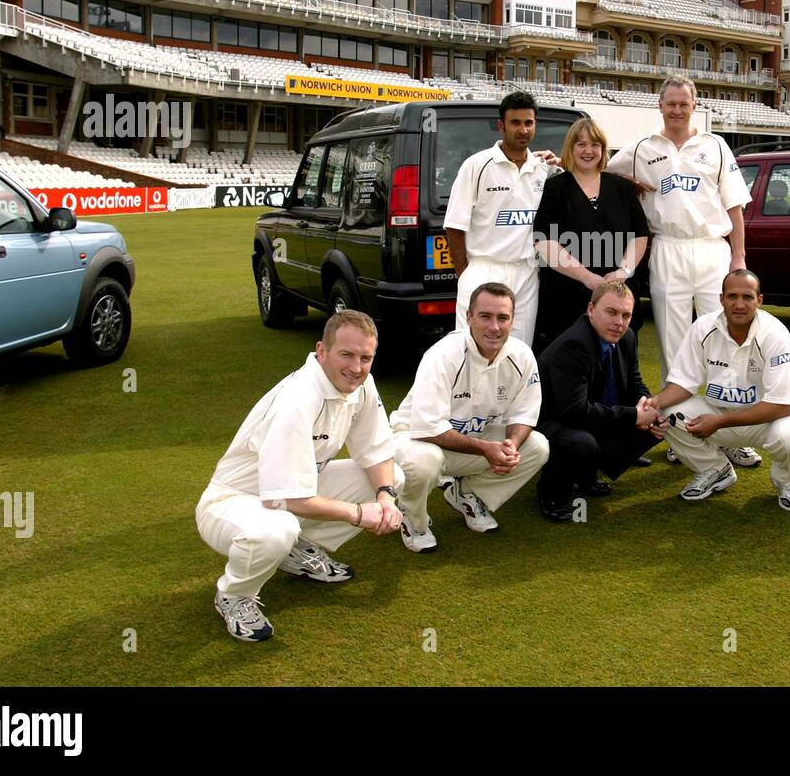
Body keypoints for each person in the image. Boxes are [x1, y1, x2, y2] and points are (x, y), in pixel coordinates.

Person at [195, 311, 403, 642]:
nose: (356, 367)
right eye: (346, 355)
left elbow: (376, 451)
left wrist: (386, 497)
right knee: (279, 528)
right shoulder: (298, 401)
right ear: (322, 351)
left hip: (288, 490)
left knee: (388, 479)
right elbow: (287, 500)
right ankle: (234, 595)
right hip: (231, 502)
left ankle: (295, 553)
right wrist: (360, 514)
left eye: (366, 357)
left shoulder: (360, 385)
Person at [606, 75, 754, 467]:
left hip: (711, 251)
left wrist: (738, 259)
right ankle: (679, 432)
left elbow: (735, 207)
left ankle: (731, 431)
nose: (677, 110)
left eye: (683, 104)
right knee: (674, 343)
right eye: (670, 103)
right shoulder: (641, 149)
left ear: (694, 105)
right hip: (667, 248)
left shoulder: (716, 146)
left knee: (724, 338)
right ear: (660, 106)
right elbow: (602, 170)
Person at [390, 282, 549, 552]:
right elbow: (428, 429)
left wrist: (510, 444)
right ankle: (412, 517)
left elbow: (525, 413)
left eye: (503, 318)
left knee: (536, 446)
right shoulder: (442, 355)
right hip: (411, 439)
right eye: (485, 316)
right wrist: (486, 449)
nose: (494, 327)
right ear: (469, 317)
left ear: (512, 320)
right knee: (425, 461)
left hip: (468, 443)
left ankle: (466, 493)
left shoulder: (522, 356)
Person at [643, 270, 790, 508]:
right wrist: (654, 403)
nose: (739, 305)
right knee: (667, 411)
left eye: (747, 297)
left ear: (759, 300)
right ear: (721, 299)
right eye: (732, 296)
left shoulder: (775, 333)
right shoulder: (703, 327)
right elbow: (683, 382)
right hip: (719, 414)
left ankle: (787, 481)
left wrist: (720, 422)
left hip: (764, 421)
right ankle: (715, 468)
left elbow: (782, 406)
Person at [535, 281, 666, 520]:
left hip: (590, 410)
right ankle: (550, 494)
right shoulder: (574, 345)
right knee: (580, 443)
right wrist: (634, 416)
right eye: (612, 312)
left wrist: (648, 408)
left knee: (658, 423)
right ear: (591, 310)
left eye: (626, 315)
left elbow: (634, 379)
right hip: (551, 420)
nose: (619, 322)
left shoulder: (626, 336)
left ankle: (589, 474)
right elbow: (573, 411)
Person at [445, 92, 556, 344]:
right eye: (515, 123)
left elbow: (587, 174)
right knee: (472, 347)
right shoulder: (477, 165)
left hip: (526, 272)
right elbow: (454, 226)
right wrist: (465, 273)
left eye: (529, 123)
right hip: (484, 268)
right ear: (501, 125)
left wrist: (560, 160)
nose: (523, 130)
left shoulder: (543, 168)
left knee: (518, 348)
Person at [532, 117, 649, 353]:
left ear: (603, 149)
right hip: (566, 296)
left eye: (595, 144)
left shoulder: (622, 188)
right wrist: (587, 277)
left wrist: (622, 272)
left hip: (618, 292)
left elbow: (640, 234)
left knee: (618, 371)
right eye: (581, 144)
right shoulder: (554, 188)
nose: (588, 151)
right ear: (570, 148)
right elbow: (544, 241)